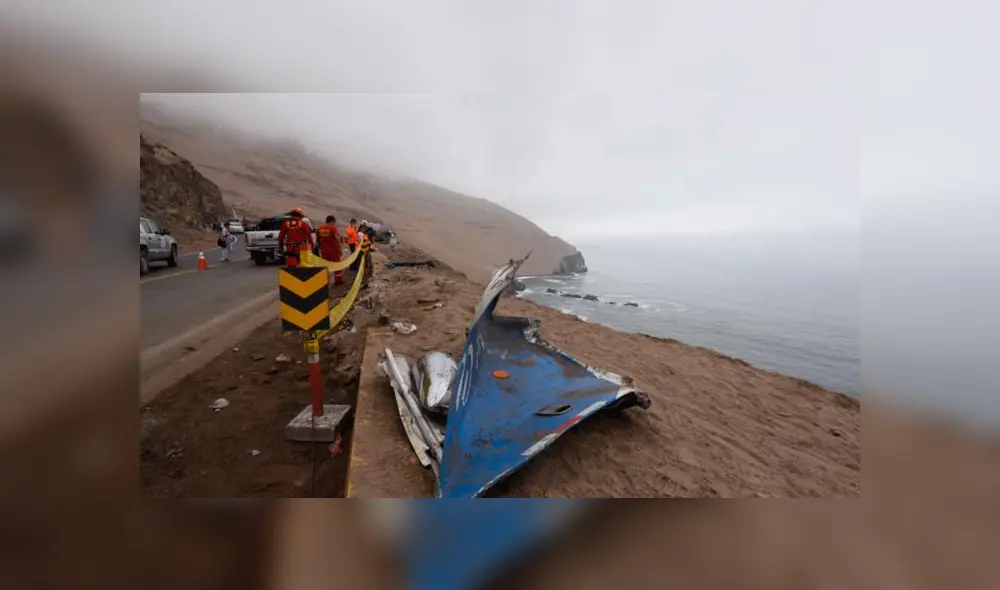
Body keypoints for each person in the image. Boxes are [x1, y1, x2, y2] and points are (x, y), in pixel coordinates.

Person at [316, 215, 344, 284]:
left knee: (325, 265)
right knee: (336, 266)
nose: (334, 224)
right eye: (334, 222)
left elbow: (318, 239)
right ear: (332, 221)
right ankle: (338, 280)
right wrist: (340, 249)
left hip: (324, 250)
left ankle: (324, 281)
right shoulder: (333, 228)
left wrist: (320, 247)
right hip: (333, 250)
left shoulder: (320, 228)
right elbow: (337, 239)